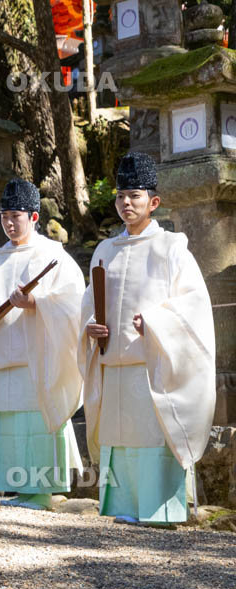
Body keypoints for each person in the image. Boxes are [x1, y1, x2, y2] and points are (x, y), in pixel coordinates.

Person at [80, 151, 215, 527]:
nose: (126, 203)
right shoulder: (104, 251)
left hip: (152, 361)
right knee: (119, 437)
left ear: (153, 202)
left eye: (135, 195)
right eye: (121, 195)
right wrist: (89, 325)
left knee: (154, 435)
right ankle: (123, 504)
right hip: (112, 362)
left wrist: (156, 322)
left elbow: (193, 303)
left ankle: (161, 509)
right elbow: (88, 302)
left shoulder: (171, 247)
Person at [0, 179, 85, 511]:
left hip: (34, 359)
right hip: (0, 358)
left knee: (33, 423)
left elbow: (73, 300)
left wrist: (36, 301)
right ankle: (11, 486)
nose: (10, 223)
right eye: (5, 216)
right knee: (5, 423)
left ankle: (41, 490)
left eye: (16, 216)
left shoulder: (53, 255)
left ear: (34, 216)